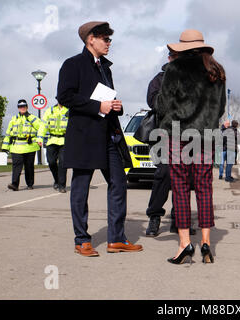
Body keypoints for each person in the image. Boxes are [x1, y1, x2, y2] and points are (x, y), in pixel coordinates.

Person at [56, 21, 142, 257]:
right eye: (105, 39)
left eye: (110, 39)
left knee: (119, 183)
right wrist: (98, 106)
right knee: (80, 188)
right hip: (84, 136)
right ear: (90, 39)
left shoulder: (106, 68)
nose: (109, 43)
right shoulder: (72, 64)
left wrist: (115, 106)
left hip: (108, 136)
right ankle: (81, 240)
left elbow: (107, 100)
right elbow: (64, 96)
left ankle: (116, 238)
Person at [156, 29, 226, 264]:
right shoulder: (216, 70)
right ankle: (206, 242)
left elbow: (163, 104)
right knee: (205, 188)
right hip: (206, 135)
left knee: (181, 188)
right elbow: (221, 108)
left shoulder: (175, 69)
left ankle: (184, 244)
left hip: (179, 134)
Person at [145, 56, 196, 237]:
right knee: (164, 174)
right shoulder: (159, 80)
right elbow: (154, 103)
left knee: (185, 179)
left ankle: (179, 220)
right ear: (170, 58)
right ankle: (155, 216)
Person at [2, 99, 41, 191]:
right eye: (20, 106)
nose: (22, 108)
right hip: (16, 147)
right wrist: (5, 146)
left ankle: (30, 184)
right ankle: (15, 184)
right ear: (18, 108)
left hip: (30, 147)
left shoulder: (33, 118)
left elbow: (41, 127)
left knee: (29, 166)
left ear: (27, 107)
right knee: (16, 165)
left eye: (24, 106)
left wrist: (39, 139)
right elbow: (8, 134)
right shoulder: (13, 119)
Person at [36, 102, 69, 193]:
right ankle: (57, 180)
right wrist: (40, 138)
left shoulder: (69, 110)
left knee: (62, 163)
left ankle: (62, 185)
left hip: (64, 141)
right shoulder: (49, 111)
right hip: (52, 140)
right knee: (51, 162)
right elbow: (43, 125)